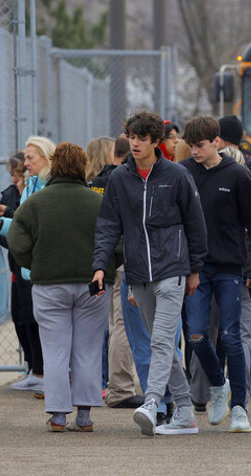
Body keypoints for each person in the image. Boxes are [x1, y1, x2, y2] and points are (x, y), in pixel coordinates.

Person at [92, 110, 207, 436]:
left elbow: (196, 225)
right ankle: (185, 411)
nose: (136, 143)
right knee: (163, 346)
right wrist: (100, 266)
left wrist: (195, 268)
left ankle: (153, 401)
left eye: (143, 138)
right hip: (137, 273)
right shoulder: (119, 178)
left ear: (156, 141)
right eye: (132, 137)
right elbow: (108, 226)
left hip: (173, 269)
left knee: (160, 340)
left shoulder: (176, 175)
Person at [8, 142, 116, 432]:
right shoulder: (97, 202)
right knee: (88, 349)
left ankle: (58, 415)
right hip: (92, 284)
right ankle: (84, 415)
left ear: (54, 166)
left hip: (49, 283)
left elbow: (17, 241)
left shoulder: (36, 203)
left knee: (55, 350)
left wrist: (35, 262)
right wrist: (104, 269)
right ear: (82, 167)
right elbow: (117, 243)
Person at [180, 116, 251, 433]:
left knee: (233, 336)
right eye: (190, 145)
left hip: (231, 268)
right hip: (196, 269)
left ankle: (240, 408)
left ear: (216, 142)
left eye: (200, 145)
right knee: (196, 334)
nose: (194, 151)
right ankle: (218, 383)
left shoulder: (237, 175)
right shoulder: (185, 173)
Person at [86, 135, 142, 410]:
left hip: (99, 259)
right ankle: (120, 387)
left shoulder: (91, 185)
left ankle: (100, 384)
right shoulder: (123, 181)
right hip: (122, 258)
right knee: (122, 324)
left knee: (106, 324)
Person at [0, 136, 56, 396]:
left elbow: (39, 228)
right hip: (29, 268)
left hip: (48, 269)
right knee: (34, 322)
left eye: (30, 158)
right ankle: (42, 374)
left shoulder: (50, 187)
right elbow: (23, 228)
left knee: (48, 327)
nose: (26, 164)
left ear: (45, 158)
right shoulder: (31, 186)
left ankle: (51, 377)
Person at [4, 153, 43, 394]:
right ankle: (32, 367)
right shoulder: (11, 193)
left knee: (34, 319)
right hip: (17, 267)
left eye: (19, 173)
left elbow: (25, 226)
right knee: (20, 318)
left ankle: (40, 370)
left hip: (34, 267)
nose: (17, 179)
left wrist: (8, 213)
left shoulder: (35, 193)